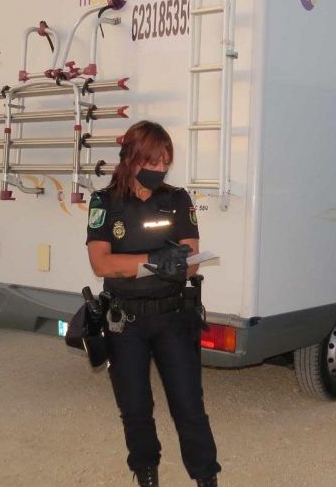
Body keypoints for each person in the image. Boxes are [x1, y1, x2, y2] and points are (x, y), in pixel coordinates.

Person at [86, 120, 220, 487]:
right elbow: (101, 263)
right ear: (131, 157)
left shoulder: (177, 199)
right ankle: (146, 473)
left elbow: (191, 258)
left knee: (189, 406)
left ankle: (206, 476)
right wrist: (156, 260)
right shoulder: (104, 201)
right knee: (135, 408)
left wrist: (164, 264)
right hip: (124, 322)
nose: (160, 169)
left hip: (173, 317)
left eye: (165, 162)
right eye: (153, 161)